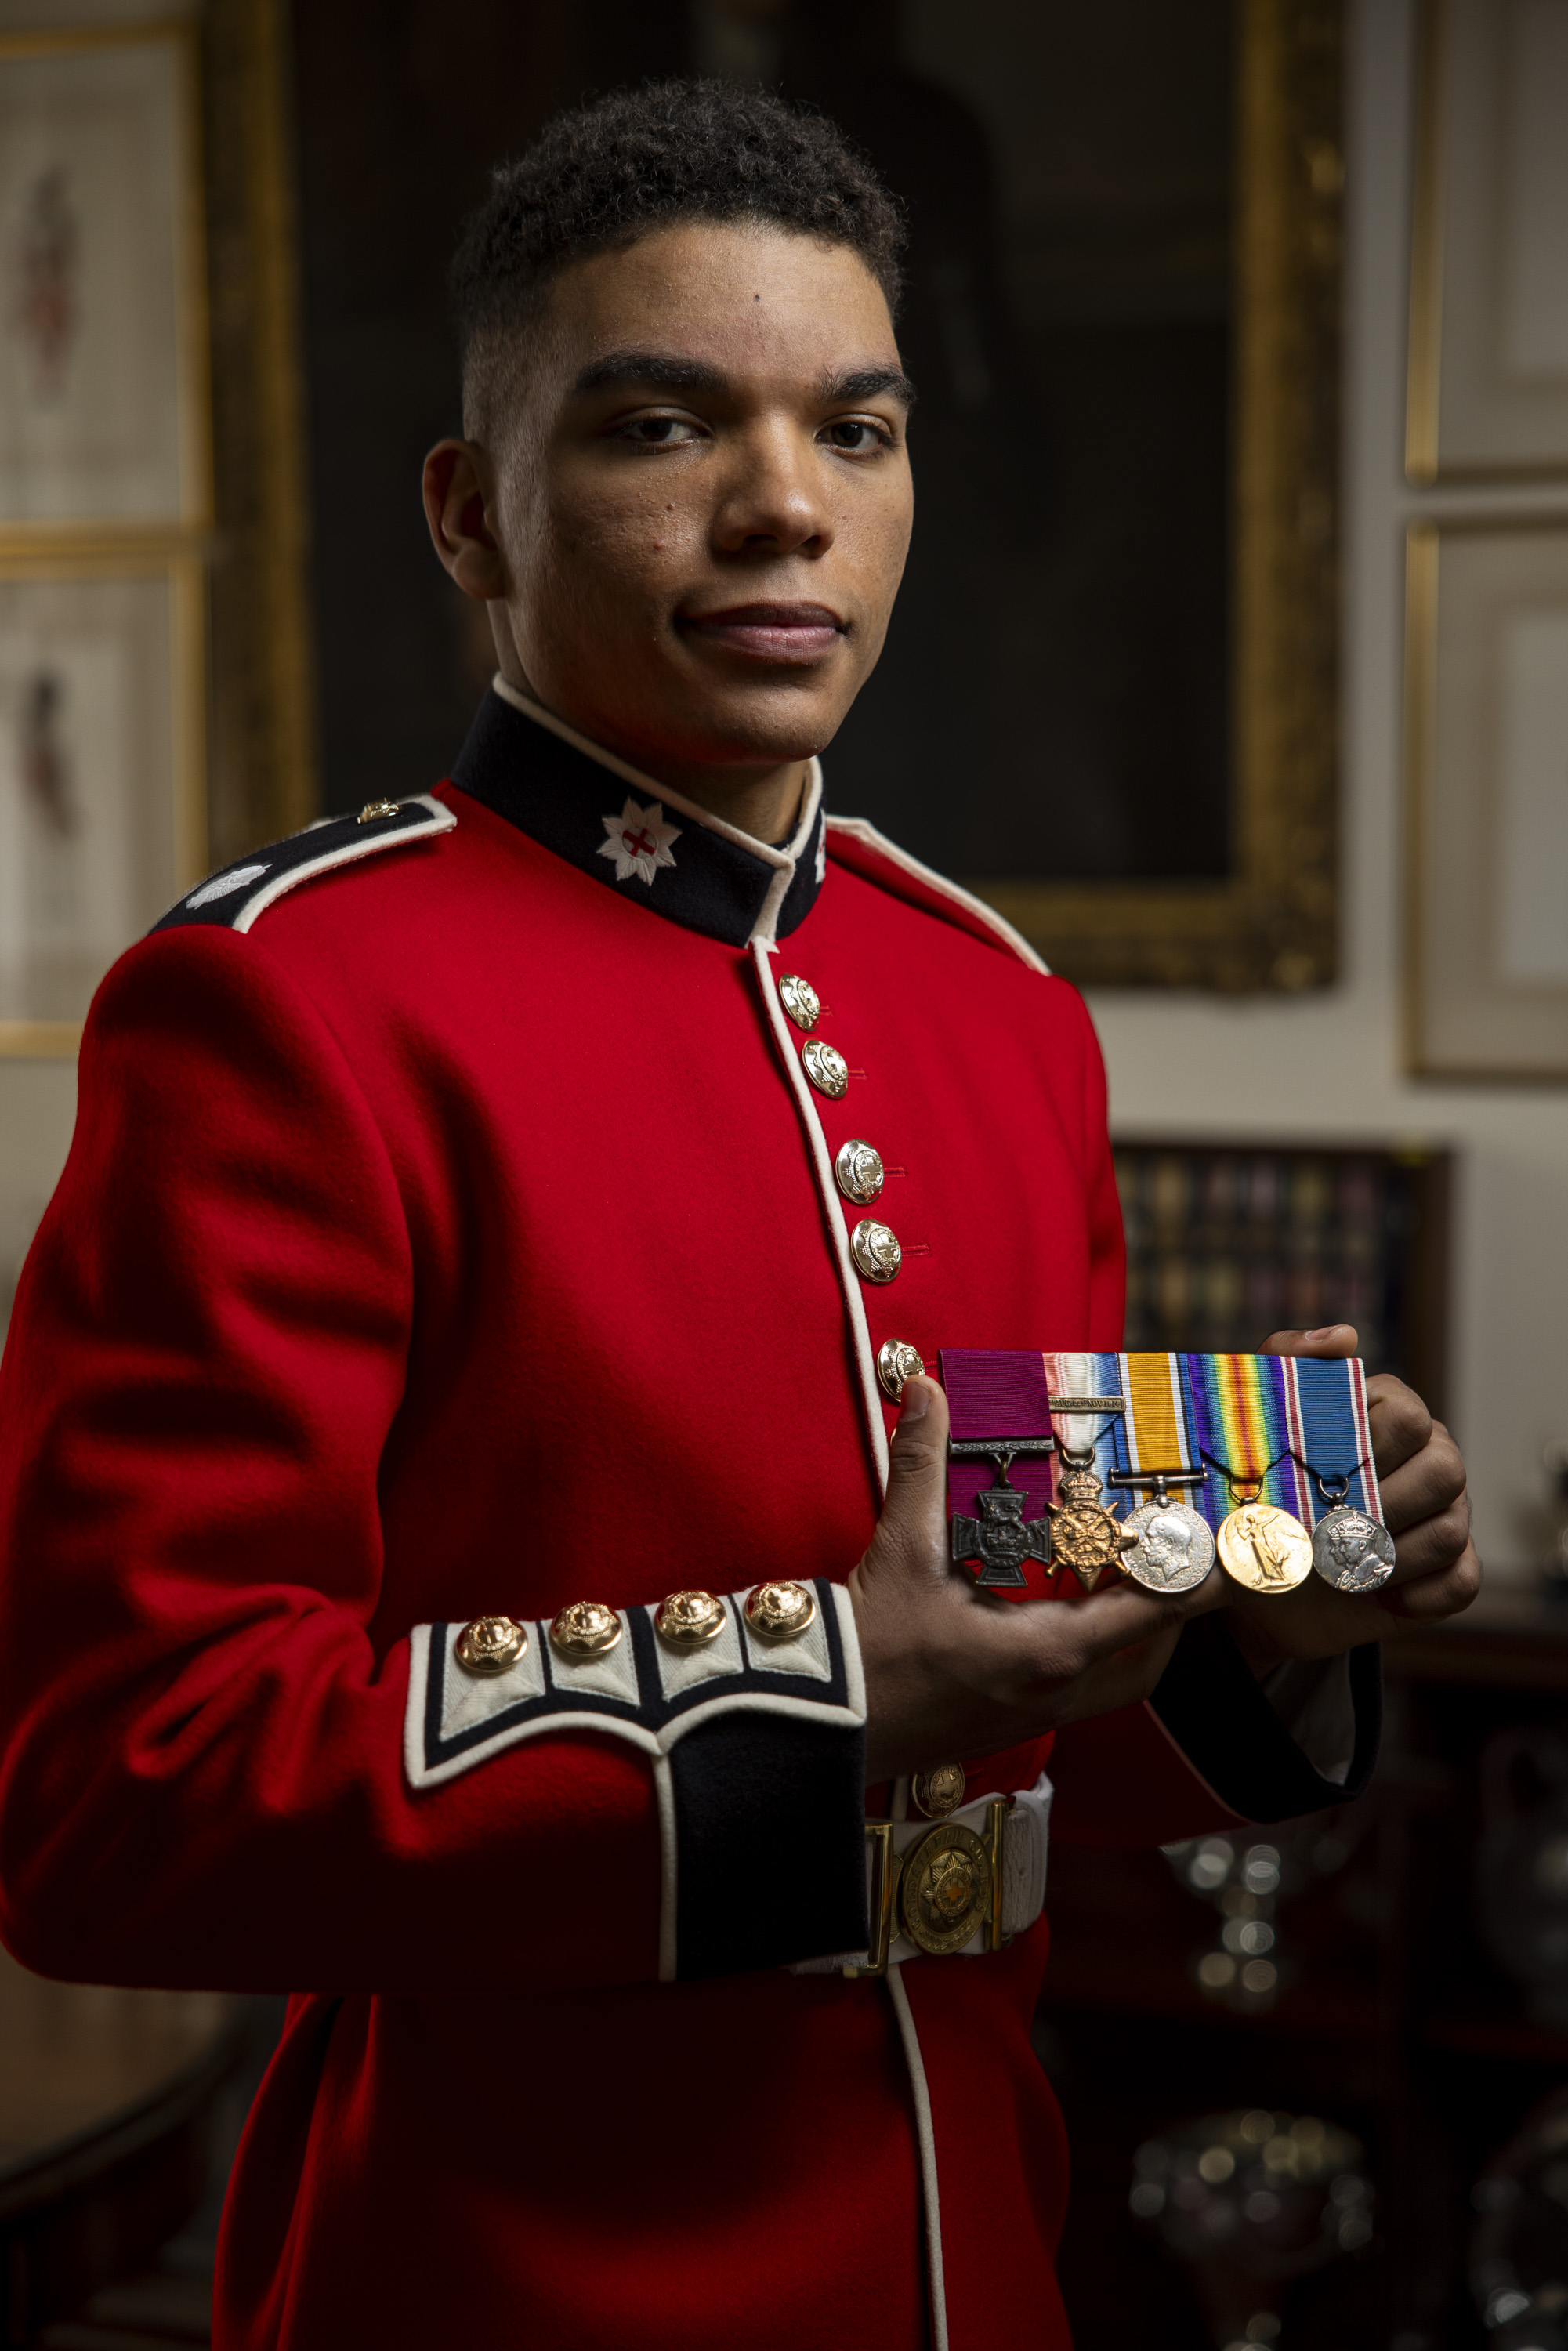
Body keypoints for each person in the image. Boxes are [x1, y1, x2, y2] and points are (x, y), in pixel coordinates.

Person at [0, 81, 1476, 2351]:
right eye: (664, 426)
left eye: (858, 431)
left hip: (976, 2252)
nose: (785, 507)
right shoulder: (285, 1000)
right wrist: (825, 1679)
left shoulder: (997, 1009)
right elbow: (116, 1796)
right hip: (493, 2267)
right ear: (469, 513)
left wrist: (1250, 1622)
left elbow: (1012, 1721)